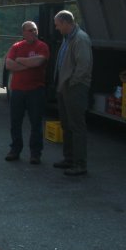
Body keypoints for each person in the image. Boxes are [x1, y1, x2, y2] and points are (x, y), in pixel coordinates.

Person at [53, 10, 93, 176]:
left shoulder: (80, 38)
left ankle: (80, 164)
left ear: (65, 23)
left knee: (76, 126)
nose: (56, 28)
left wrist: (71, 83)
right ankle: (69, 159)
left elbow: (83, 66)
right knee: (66, 124)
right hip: (65, 87)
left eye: (57, 25)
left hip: (74, 88)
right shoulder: (68, 38)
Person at [4, 21, 50, 164]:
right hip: (18, 90)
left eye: (35, 29)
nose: (34, 32)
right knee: (15, 122)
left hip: (35, 90)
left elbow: (39, 62)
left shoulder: (42, 46)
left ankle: (35, 154)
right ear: (23, 33)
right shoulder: (17, 46)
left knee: (36, 123)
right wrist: (28, 64)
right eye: (30, 30)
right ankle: (15, 150)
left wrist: (20, 60)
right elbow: (8, 64)